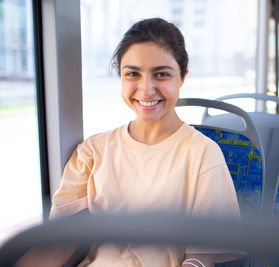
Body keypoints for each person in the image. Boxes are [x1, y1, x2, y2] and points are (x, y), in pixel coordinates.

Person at [16, 18, 241, 267]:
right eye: (133, 74)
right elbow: (60, 244)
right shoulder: (92, 152)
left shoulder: (203, 154)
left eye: (162, 74)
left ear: (182, 77)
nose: (146, 90)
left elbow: (201, 257)